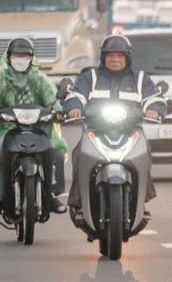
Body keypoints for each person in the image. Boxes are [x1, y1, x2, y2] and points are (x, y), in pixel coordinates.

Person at [63, 35, 166, 222]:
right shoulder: (90, 77)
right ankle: (79, 202)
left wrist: (153, 109)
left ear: (128, 58)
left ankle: (141, 200)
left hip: (131, 131)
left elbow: (155, 98)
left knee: (145, 155)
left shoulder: (140, 78)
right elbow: (75, 95)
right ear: (103, 57)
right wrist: (74, 108)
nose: (115, 60)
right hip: (96, 131)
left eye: (120, 56)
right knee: (79, 155)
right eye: (111, 56)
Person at [0, 37, 68, 216]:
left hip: (40, 130)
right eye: (16, 55)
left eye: (25, 55)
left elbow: (53, 100)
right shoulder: (1, 81)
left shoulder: (40, 81)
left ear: (32, 58)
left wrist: (58, 111)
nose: (20, 59)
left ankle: (52, 194)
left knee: (57, 151)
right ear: (9, 57)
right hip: (8, 131)